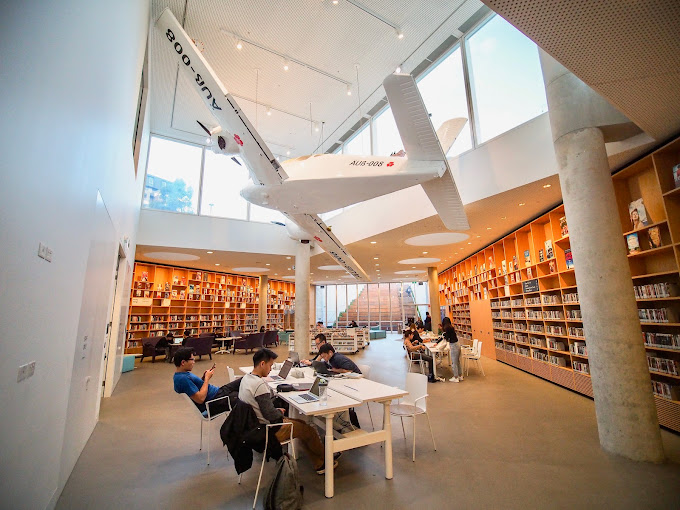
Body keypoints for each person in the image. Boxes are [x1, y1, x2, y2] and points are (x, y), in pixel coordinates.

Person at [239, 348, 339, 474]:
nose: (270, 369)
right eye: (270, 366)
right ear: (262, 364)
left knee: (302, 425)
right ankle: (323, 462)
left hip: (253, 427)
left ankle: (320, 460)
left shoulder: (246, 379)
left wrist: (275, 410)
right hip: (268, 430)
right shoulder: (259, 385)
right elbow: (270, 415)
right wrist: (279, 412)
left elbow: (263, 408)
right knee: (308, 430)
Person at [173, 347, 234, 415]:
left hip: (218, 393)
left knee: (243, 380)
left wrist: (203, 379)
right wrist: (207, 379)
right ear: (183, 362)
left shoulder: (182, 374)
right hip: (215, 400)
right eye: (192, 360)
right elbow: (200, 399)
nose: (194, 362)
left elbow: (196, 388)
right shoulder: (183, 379)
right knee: (243, 398)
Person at [442, 317, 462, 382]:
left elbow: (447, 338)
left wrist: (444, 336)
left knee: (454, 362)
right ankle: (460, 375)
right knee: (457, 361)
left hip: (453, 345)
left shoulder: (447, 328)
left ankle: (456, 377)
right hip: (458, 344)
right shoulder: (451, 327)